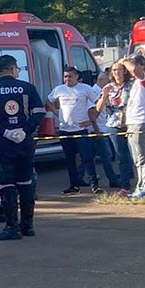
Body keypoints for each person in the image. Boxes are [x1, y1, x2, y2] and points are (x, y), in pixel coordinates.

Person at [0, 54, 45, 240]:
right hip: (25, 143)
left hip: (3, 144)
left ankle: (12, 227)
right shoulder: (27, 88)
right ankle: (27, 226)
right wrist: (25, 130)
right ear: (13, 69)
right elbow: (39, 111)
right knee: (26, 183)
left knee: (7, 184)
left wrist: (5, 132)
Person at [46, 66, 101, 194]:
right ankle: (74, 186)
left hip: (81, 130)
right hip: (65, 130)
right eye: (65, 76)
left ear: (77, 77)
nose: (67, 79)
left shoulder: (85, 88)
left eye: (70, 76)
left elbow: (98, 103)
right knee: (70, 160)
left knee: (87, 158)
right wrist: (56, 112)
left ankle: (94, 185)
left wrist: (92, 120)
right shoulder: (59, 89)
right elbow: (48, 101)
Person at [119, 54, 145, 200]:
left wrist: (124, 61)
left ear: (142, 65)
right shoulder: (136, 82)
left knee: (143, 158)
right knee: (137, 159)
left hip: (141, 122)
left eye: (132, 64)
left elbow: (135, 70)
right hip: (133, 123)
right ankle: (141, 187)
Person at [97, 62, 134, 193]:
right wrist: (105, 95)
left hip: (131, 123)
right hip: (114, 124)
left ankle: (137, 179)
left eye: (119, 70)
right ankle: (125, 185)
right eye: (114, 70)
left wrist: (126, 62)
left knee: (135, 153)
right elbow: (98, 108)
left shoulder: (132, 85)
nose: (116, 72)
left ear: (124, 71)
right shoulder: (108, 87)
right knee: (121, 155)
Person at [89, 68, 124, 189]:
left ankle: (87, 178)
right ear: (101, 80)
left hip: (103, 128)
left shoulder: (104, 91)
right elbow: (92, 112)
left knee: (94, 157)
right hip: (97, 130)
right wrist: (96, 128)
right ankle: (111, 180)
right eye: (108, 80)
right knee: (105, 156)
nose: (111, 82)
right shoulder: (94, 92)